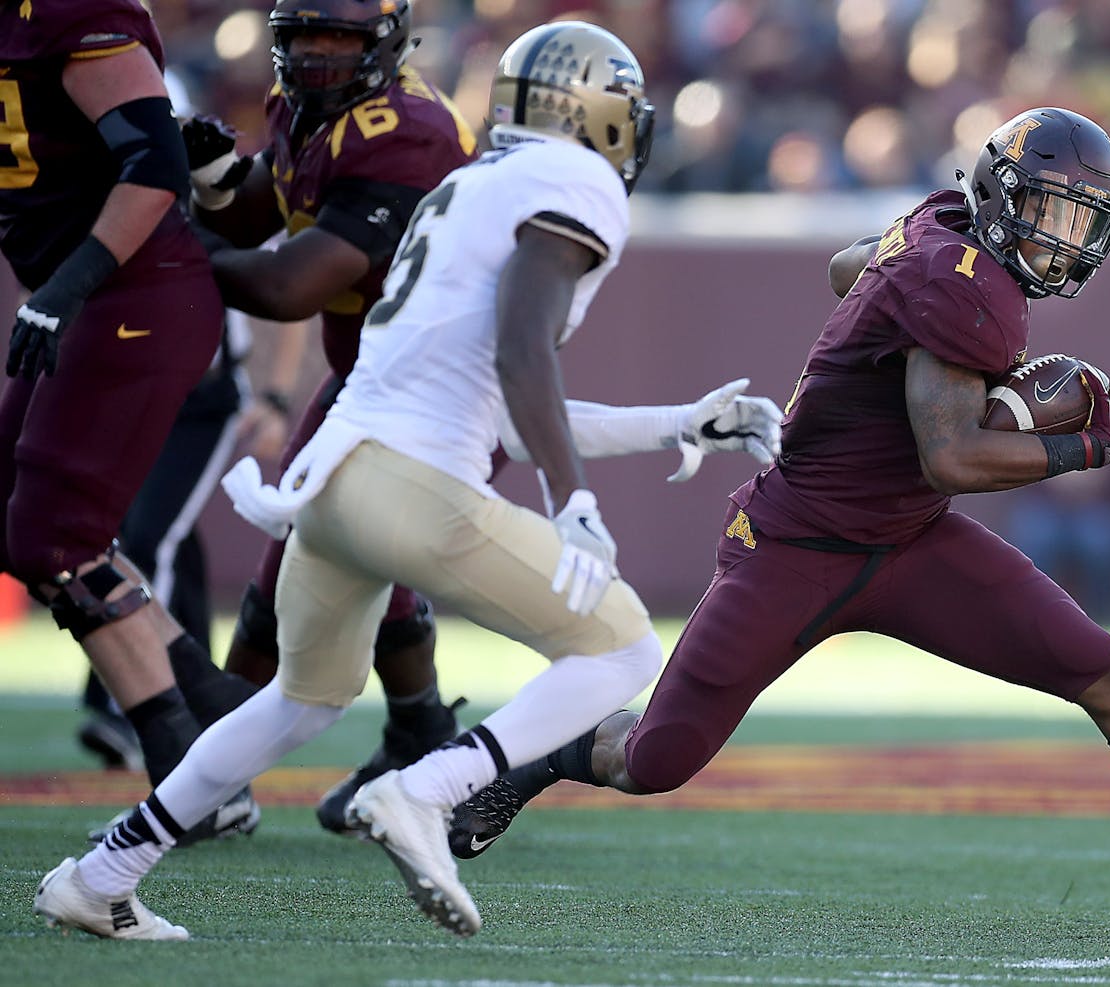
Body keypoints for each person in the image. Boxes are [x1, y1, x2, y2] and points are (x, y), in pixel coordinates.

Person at [445, 107, 1110, 915]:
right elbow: (955, 455)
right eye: (1052, 213)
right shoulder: (964, 281)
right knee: (656, 757)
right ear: (1006, 199)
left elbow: (847, 267)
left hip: (906, 536)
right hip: (797, 542)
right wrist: (1083, 446)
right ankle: (530, 757)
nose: (1064, 239)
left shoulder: (940, 226)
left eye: (1081, 221)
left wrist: (900, 300)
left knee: (1100, 669)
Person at [32, 18, 672, 943]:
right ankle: (427, 786)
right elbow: (523, 349)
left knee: (300, 699)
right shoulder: (571, 181)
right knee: (621, 649)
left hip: (329, 471)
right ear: (603, 117)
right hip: (408, 481)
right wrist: (572, 501)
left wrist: (675, 425)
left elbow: (497, 388)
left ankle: (102, 873)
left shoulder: (470, 182)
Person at [170, 0, 483, 837]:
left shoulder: (404, 131)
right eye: (302, 37)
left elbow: (287, 287)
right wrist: (208, 181)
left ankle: (212, 775)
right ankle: (419, 730)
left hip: (434, 388)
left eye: (337, 40)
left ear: (381, 45)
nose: (315, 56)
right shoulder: (306, 109)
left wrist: (170, 250)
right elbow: (257, 214)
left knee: (298, 579)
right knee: (323, 566)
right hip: (368, 374)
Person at [0, 0, 266, 824]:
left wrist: (65, 286)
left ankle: (189, 777)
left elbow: (153, 167)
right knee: (19, 520)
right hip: (94, 297)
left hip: (135, 294)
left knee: (55, 538)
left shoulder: (72, 12)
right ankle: (217, 703)